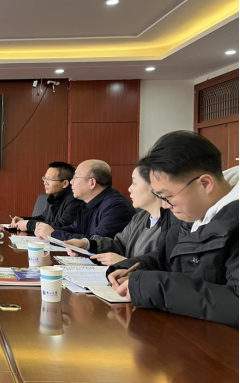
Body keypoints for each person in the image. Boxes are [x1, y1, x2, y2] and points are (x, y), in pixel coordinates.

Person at [109, 131, 238, 328]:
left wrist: (153, 286)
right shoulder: (192, 216)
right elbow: (165, 258)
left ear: (205, 184)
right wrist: (129, 268)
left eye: (168, 196)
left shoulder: (232, 223)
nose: (165, 205)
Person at [65, 164, 175, 266]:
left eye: (134, 183)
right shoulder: (140, 217)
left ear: (155, 186)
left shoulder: (173, 225)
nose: (129, 189)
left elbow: (164, 267)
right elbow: (119, 245)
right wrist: (88, 244)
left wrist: (126, 263)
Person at [35, 160, 136, 241]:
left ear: (92, 183)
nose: (71, 182)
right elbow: (74, 229)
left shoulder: (116, 206)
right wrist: (46, 229)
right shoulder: (88, 203)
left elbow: (96, 241)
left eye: (75, 177)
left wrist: (53, 234)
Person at [10, 162, 83, 232]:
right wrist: (22, 219)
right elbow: (43, 218)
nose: (45, 183)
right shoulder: (54, 196)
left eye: (49, 179)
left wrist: (29, 224)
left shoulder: (75, 200)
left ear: (65, 183)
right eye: (45, 178)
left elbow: (61, 226)